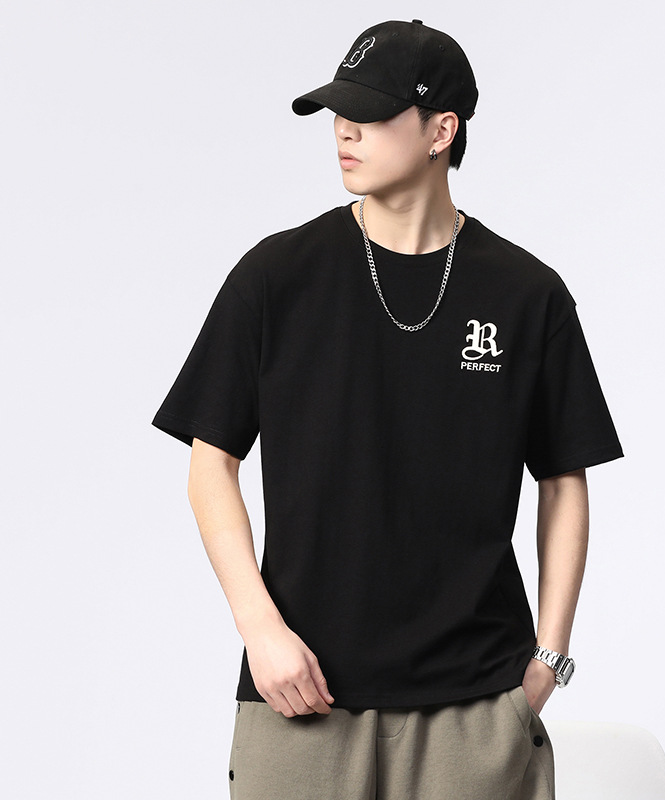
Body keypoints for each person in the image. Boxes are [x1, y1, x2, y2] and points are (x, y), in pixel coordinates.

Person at [153, 18, 623, 800]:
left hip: (476, 706)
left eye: (370, 113)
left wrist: (548, 660)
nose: (345, 130)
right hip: (300, 695)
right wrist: (259, 629)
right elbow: (211, 464)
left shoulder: (526, 294)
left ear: (442, 130)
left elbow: (564, 480)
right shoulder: (277, 277)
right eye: (338, 112)